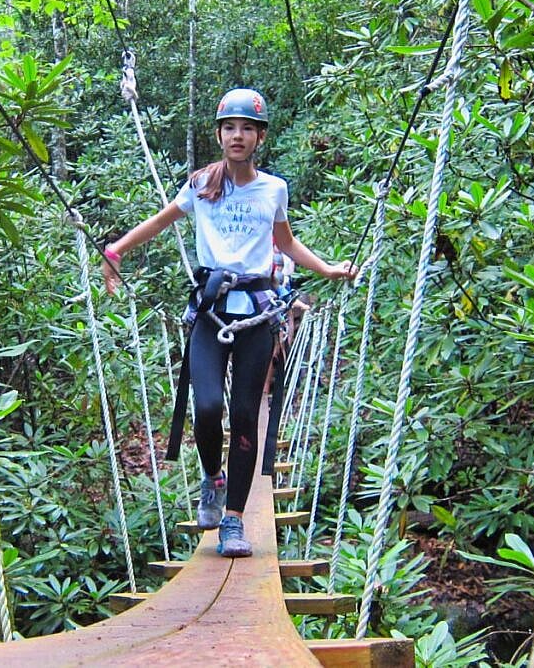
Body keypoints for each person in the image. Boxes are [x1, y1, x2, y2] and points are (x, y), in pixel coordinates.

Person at [101, 87, 355, 557]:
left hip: (257, 315)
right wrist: (116, 251)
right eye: (230, 127)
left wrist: (327, 269)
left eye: (247, 129)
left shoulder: (273, 189)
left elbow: (287, 243)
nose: (238, 136)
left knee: (243, 415)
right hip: (209, 311)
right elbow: (160, 223)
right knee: (208, 406)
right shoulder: (200, 184)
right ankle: (212, 477)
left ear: (259, 137)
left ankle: (234, 520)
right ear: (219, 135)